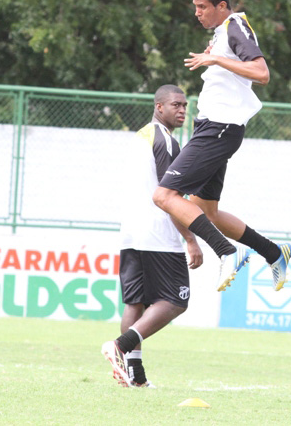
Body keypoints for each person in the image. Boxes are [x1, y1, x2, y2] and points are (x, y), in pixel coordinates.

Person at [152, 0, 291, 293]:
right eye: (196, 7)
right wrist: (216, 56)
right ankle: (274, 253)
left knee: (164, 195)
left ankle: (227, 252)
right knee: (207, 211)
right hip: (213, 128)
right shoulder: (223, 33)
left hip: (219, 129)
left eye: (203, 7)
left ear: (222, 6)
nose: (197, 13)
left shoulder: (233, 26)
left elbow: (262, 72)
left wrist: (215, 58)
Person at [101, 84, 203, 388]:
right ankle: (119, 346)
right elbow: (169, 195)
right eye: (176, 105)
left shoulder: (141, 136)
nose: (183, 110)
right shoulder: (167, 142)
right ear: (159, 107)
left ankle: (134, 375)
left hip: (131, 232)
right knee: (176, 300)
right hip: (158, 233)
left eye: (185, 105)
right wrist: (190, 238)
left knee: (136, 303)